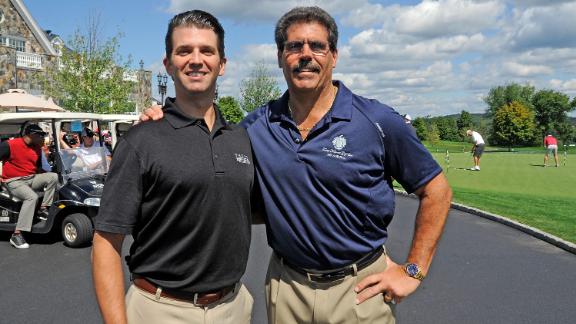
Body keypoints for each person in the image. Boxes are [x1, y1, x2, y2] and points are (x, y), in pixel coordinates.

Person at [142, 6, 452, 323]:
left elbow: (436, 190)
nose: (305, 55)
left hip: (360, 287)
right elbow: (211, 152)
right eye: (294, 47)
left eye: (317, 46)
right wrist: (166, 121)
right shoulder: (257, 126)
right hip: (286, 287)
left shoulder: (377, 121)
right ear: (280, 57)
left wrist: (413, 269)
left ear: (334, 55)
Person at [92, 10, 254, 324]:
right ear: (168, 64)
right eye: (184, 51)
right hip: (161, 309)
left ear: (222, 65)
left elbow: (256, 208)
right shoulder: (141, 141)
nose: (196, 59)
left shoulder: (240, 139)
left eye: (207, 51)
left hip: (233, 306)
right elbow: (106, 241)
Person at [0, 124, 58, 249]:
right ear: (31, 135)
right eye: (40, 135)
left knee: (53, 176)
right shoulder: (10, 145)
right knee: (32, 197)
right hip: (13, 181)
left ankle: (43, 208)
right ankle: (17, 235)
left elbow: (36, 167)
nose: (42, 138)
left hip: (31, 178)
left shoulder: (37, 148)